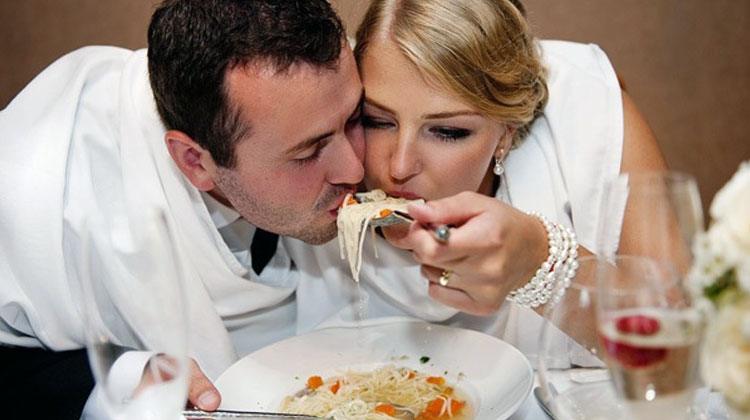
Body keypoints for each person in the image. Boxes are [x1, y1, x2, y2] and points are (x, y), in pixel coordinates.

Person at [0, 0, 364, 417]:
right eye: (308, 152)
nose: (354, 167)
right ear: (194, 162)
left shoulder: (317, 86)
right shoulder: (30, 193)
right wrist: (110, 379)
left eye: (356, 118)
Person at [286, 0, 667, 363]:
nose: (399, 166)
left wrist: (538, 263)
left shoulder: (587, 115)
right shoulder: (315, 121)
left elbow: (679, 346)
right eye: (376, 121)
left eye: (448, 131)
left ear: (506, 133)